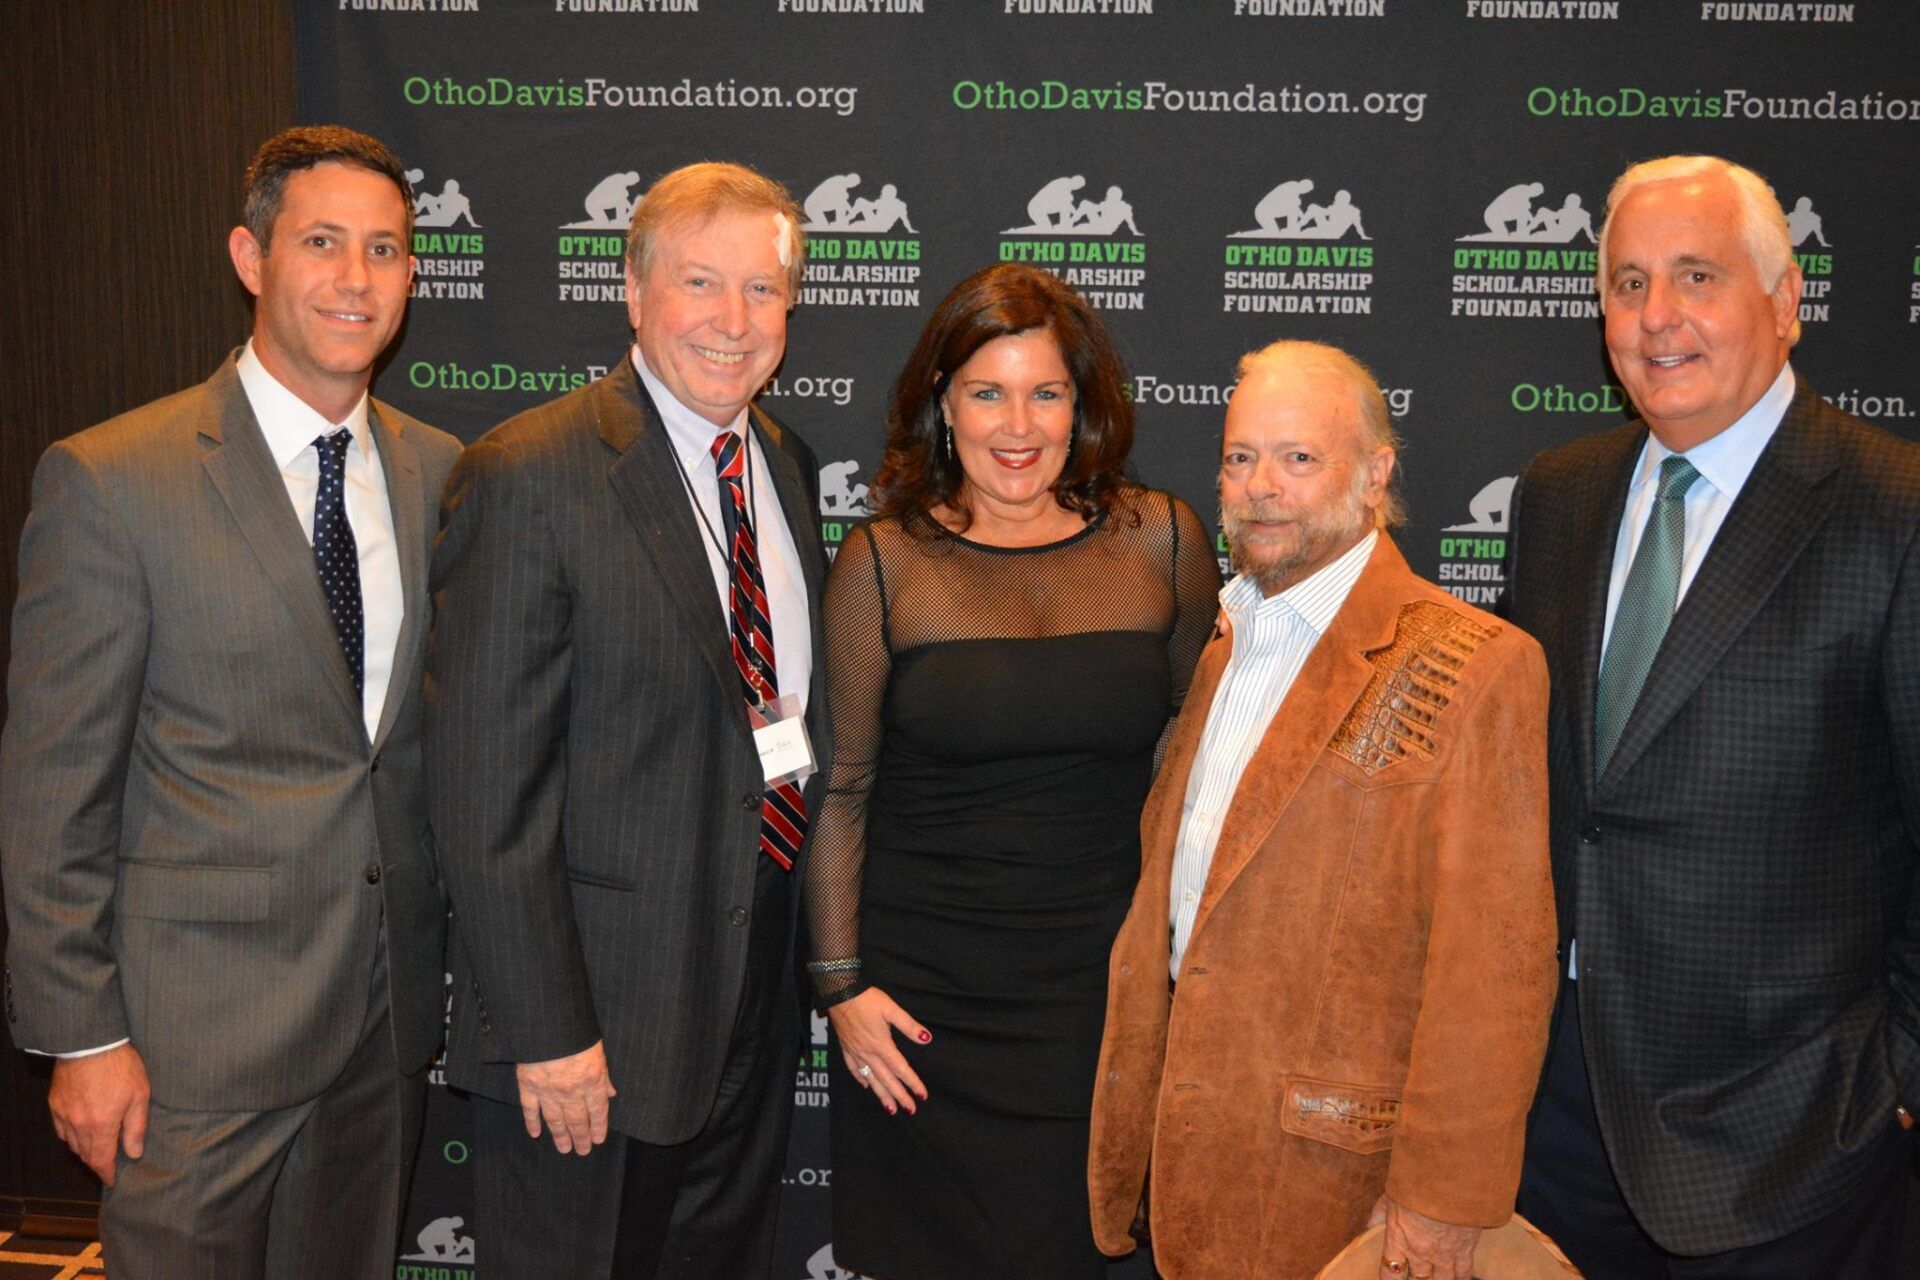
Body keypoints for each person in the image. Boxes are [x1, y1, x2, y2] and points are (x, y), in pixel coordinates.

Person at [0, 125, 459, 1274]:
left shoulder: (446, 473)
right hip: (185, 1053)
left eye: (387, 249)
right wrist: (83, 1035)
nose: (358, 279)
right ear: (250, 257)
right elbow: (54, 787)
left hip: (383, 1025)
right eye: (322, 243)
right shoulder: (114, 478)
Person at [1506, 154, 1920, 1277]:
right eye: (1628, 283)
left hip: (1795, 1145)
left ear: (1786, 302)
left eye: (1697, 275)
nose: (1657, 317)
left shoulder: (1892, 511)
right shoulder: (1558, 494)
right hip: (1555, 1127)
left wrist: (1894, 1093)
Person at [426, 162, 828, 1278]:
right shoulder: (531, 472)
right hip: (594, 1025)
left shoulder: (782, 465)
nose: (734, 320)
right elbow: (482, 799)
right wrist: (549, 1031)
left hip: (749, 994)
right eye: (702, 281)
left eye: (763, 289)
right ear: (634, 289)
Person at [1088, 340, 1558, 1280]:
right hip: (1185, 1160)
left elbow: (1494, 974)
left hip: (1339, 1185)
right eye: (1240, 456)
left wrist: (1442, 1203)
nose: (1263, 486)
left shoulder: (1476, 665)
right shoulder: (1226, 645)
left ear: (1376, 473)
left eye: (1299, 458)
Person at [808, 262, 1220, 1279]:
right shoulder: (884, 562)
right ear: (943, 404)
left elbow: (1194, 759)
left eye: (1045, 391)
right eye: (987, 391)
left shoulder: (1161, 540)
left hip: (1099, 994)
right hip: (923, 1006)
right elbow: (845, 789)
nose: (1017, 424)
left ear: (1083, 404)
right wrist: (840, 985)